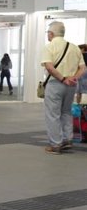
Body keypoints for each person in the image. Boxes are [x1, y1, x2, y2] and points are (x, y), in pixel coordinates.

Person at [41, 21, 86, 154]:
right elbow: (83, 68)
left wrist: (63, 79)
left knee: (53, 114)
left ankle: (55, 144)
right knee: (66, 112)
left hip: (56, 83)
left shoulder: (49, 47)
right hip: (71, 85)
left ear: (51, 33)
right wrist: (74, 78)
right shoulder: (74, 47)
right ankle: (67, 139)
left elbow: (49, 66)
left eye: (48, 33)